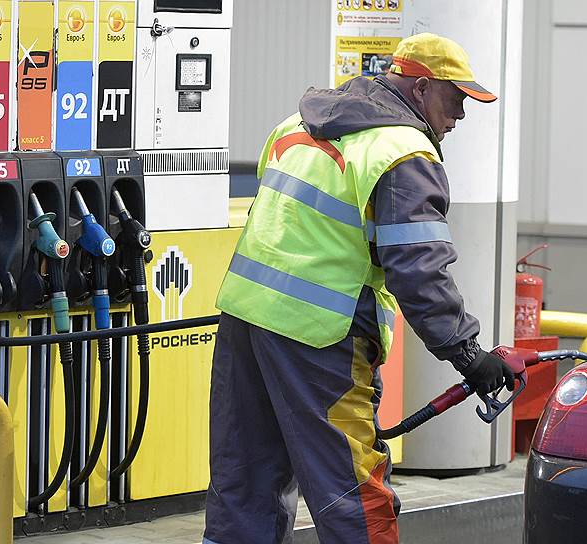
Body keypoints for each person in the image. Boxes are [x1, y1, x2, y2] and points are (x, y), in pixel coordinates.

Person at [204, 33, 514, 544]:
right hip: (321, 336)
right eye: (455, 97)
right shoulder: (402, 153)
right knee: (351, 493)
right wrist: (468, 355)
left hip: (246, 322)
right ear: (420, 88)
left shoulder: (295, 124)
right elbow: (418, 269)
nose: (460, 115)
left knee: (245, 484)